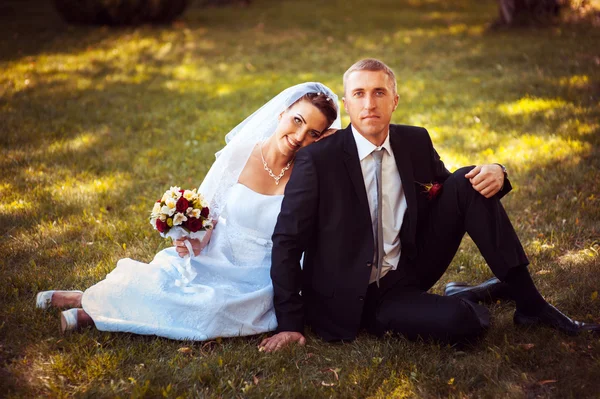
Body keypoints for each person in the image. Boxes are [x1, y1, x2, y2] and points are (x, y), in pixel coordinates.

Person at [259, 59, 599, 352]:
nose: (369, 104)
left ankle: (531, 305)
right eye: (359, 94)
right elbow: (287, 242)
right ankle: (473, 295)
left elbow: (454, 190)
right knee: (462, 323)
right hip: (359, 295)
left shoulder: (415, 140)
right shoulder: (318, 161)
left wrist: (499, 172)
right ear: (347, 103)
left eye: (379, 93)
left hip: (408, 268)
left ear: (395, 101)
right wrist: (290, 323)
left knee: (469, 179)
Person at [35, 82, 341, 340]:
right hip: (217, 254)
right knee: (168, 279)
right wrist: (193, 237)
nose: (301, 136)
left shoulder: (309, 171)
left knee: (213, 308)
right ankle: (87, 301)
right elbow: (208, 211)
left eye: (314, 134)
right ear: (281, 113)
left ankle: (89, 310)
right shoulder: (242, 153)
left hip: (262, 276)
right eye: (297, 120)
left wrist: (330, 146)